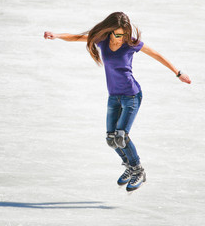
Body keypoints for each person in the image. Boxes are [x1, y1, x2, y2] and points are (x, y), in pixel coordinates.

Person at [44, 12, 191, 192]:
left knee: (121, 136)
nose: (122, 38)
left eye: (125, 34)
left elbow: (156, 55)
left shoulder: (131, 43)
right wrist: (57, 35)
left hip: (131, 95)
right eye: (118, 34)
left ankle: (138, 170)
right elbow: (77, 37)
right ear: (110, 31)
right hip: (114, 96)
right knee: (111, 139)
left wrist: (178, 73)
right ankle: (129, 166)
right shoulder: (102, 40)